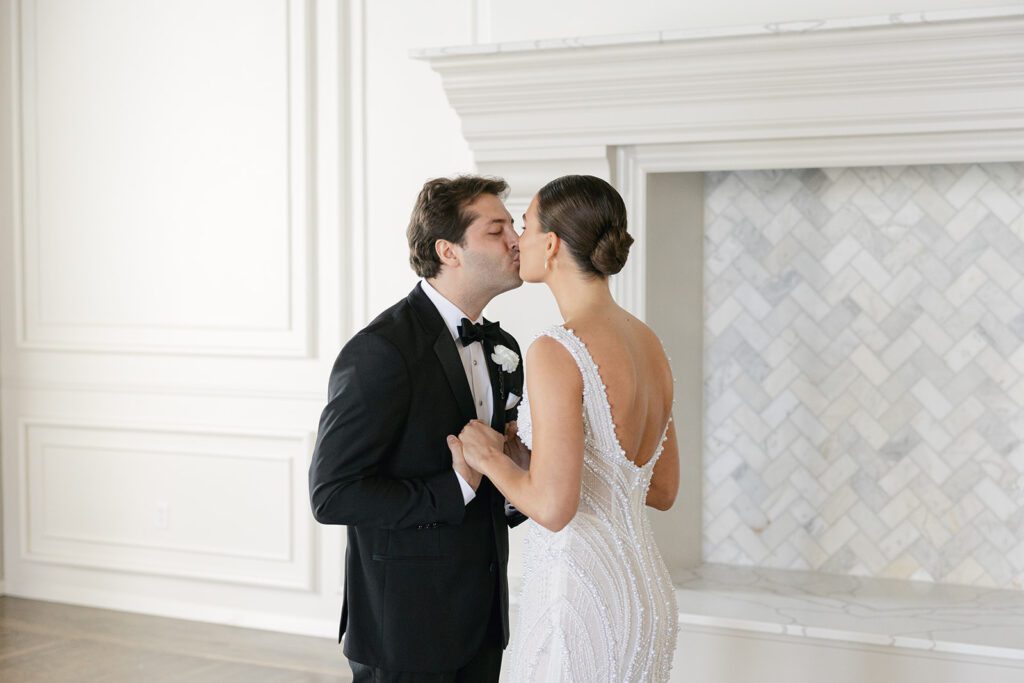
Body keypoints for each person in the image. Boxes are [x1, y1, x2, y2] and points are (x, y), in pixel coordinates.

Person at [450, 174, 681, 682]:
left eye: (526, 226)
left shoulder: (557, 349)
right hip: (646, 595)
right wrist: (531, 463)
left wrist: (489, 458)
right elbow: (659, 488)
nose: (517, 239)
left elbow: (554, 509)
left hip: (579, 596)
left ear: (551, 245)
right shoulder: (650, 345)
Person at [309, 175, 527, 682]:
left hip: (484, 617)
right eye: (497, 230)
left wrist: (517, 479)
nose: (516, 240)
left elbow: (497, 477)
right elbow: (332, 495)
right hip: (405, 628)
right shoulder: (381, 351)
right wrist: (453, 488)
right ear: (448, 251)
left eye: (513, 226)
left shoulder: (505, 348)